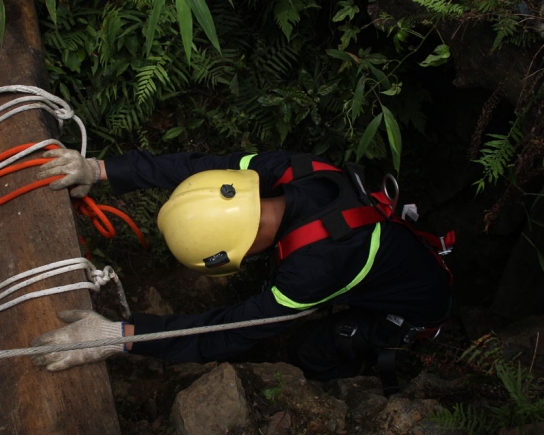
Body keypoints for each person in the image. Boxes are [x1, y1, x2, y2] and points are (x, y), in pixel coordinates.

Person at [30, 148, 453, 391]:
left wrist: (118, 338)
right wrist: (101, 169)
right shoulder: (292, 170)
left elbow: (229, 331)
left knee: (306, 351)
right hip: (396, 254)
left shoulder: (310, 274)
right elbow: (200, 168)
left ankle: (347, 390)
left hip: (416, 306)